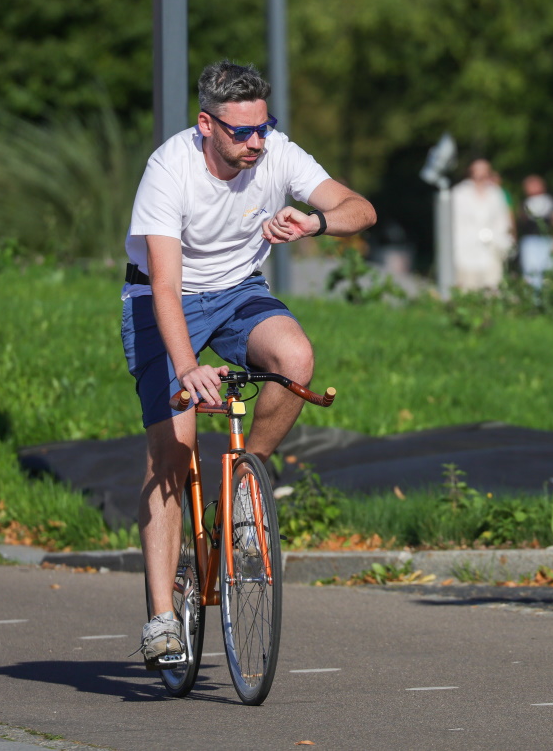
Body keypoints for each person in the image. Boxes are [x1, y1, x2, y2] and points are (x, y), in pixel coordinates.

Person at [120, 60, 376, 669]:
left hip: (237, 291)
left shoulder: (277, 154)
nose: (256, 143)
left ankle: (245, 488)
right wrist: (187, 368)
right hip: (164, 300)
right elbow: (163, 285)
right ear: (206, 125)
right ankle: (161, 618)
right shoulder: (169, 168)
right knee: (172, 457)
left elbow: (358, 208)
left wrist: (316, 221)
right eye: (242, 133)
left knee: (296, 356)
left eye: (264, 127)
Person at [450, 158, 513, 291]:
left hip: (491, 248)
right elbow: (453, 221)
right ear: (471, 172)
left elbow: (502, 220)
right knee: (467, 286)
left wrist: (502, 240)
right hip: (465, 248)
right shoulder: (459, 193)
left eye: (485, 170)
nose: (482, 174)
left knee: (493, 286)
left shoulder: (496, 193)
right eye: (478, 170)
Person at [516, 174, 553, 289]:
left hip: (546, 240)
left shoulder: (550, 200)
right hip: (530, 241)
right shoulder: (524, 203)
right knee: (531, 272)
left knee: (548, 271)